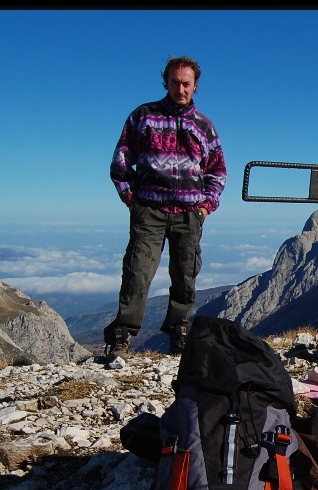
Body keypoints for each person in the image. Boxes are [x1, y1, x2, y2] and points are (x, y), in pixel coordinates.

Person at [103, 55, 226, 359]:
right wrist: (133, 200)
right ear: (166, 83)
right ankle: (122, 335)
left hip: (189, 213)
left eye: (186, 83)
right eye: (175, 82)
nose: (180, 88)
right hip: (149, 212)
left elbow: (217, 170)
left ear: (195, 86)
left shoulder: (204, 126)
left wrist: (205, 207)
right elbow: (121, 162)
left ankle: (179, 332)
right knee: (138, 272)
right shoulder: (143, 116)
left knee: (185, 275)